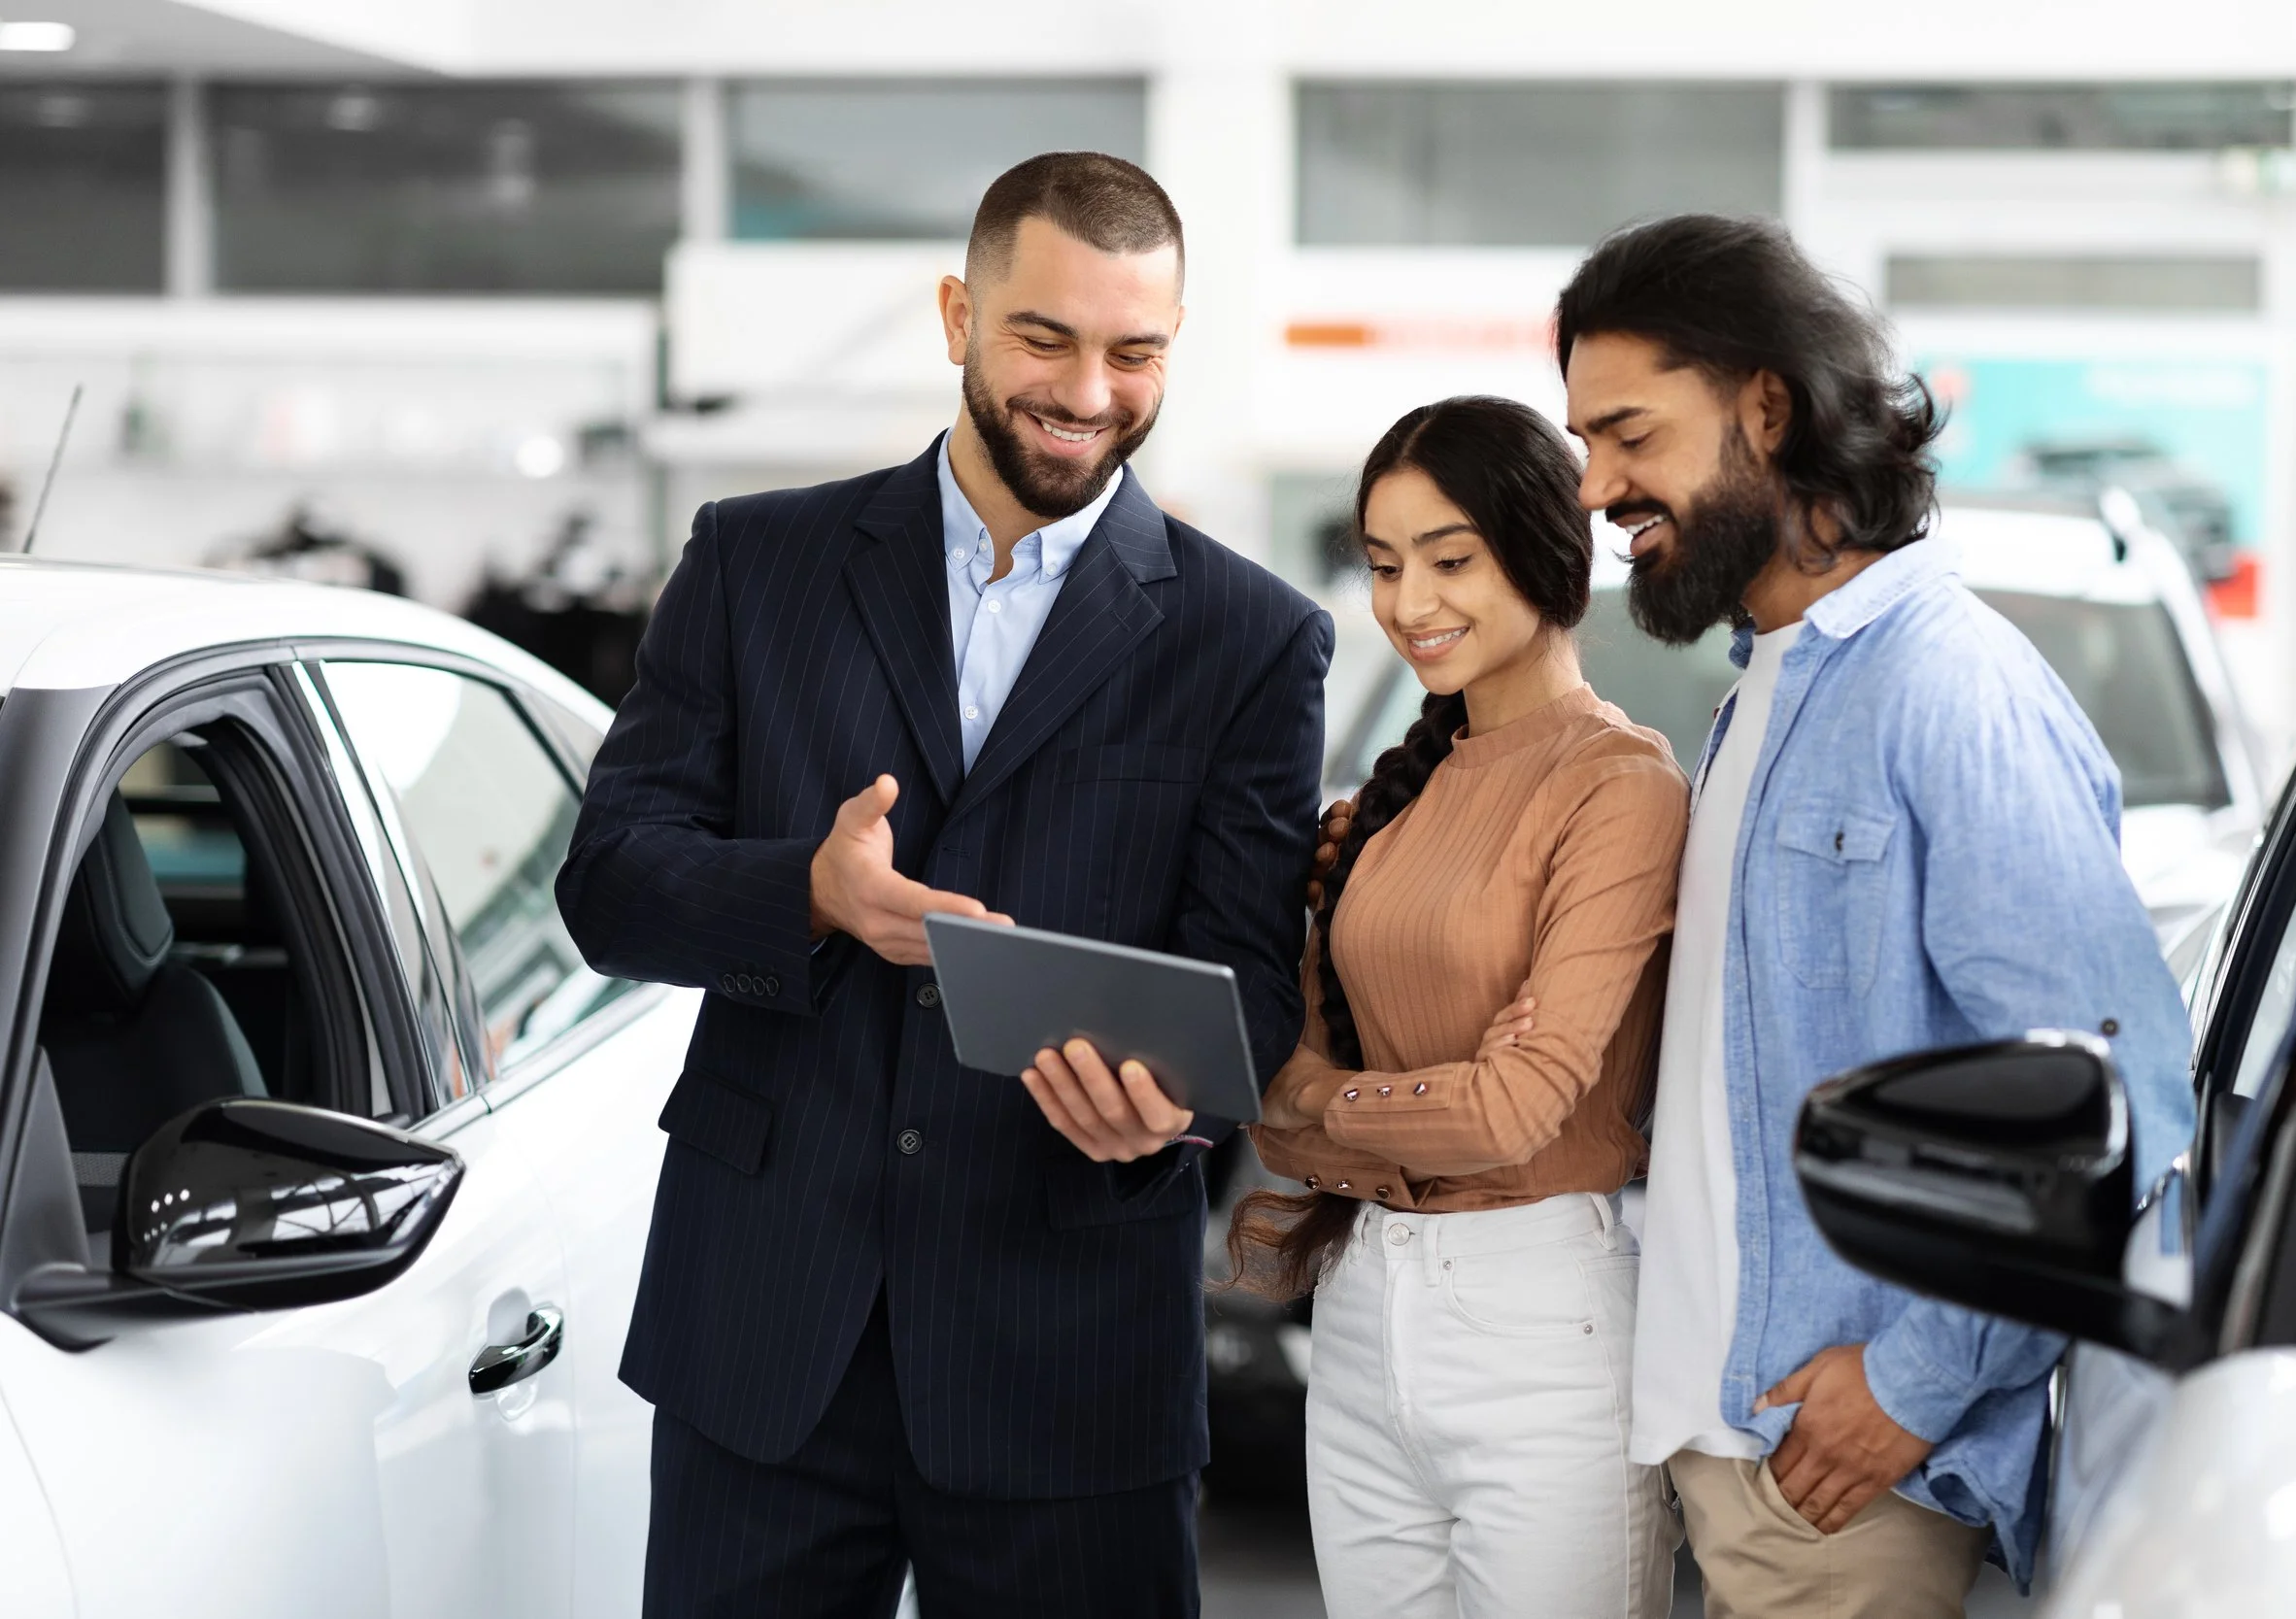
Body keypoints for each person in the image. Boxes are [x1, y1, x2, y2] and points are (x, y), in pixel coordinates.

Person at [557, 152, 1332, 1619]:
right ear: (959, 312)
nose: (1090, 391)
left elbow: (1249, 981)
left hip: (1070, 1349)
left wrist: (1178, 1105)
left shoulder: (1250, 639)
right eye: (1046, 337)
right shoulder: (752, 562)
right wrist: (810, 891)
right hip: (769, 1329)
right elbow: (610, 885)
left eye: (1135, 351)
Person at [1555, 215, 2195, 1616]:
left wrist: (1918, 1380)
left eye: (1627, 432)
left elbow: (2119, 1096)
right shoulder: (1759, 693)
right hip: (1732, 1456)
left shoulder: (1947, 689)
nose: (1596, 483)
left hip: (1843, 1483)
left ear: (1766, 408)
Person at [1236, 395, 1691, 1618]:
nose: (1408, 603)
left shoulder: (1620, 786)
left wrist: (1331, 1099)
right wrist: (1329, 1105)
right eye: (1384, 566)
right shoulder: (1382, 803)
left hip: (1540, 1324)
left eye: (1450, 560)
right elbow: (1278, 1120)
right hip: (1363, 1309)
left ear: (1544, 550)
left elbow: (1510, 1108)